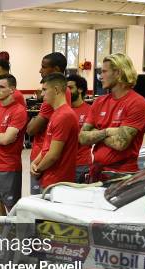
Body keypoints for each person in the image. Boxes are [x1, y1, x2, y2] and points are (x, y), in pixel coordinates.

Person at [78, 53, 145, 182]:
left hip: (122, 177)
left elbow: (120, 143)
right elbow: (82, 137)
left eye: (104, 71)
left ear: (118, 73)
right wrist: (108, 131)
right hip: (97, 172)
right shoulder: (99, 102)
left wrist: (96, 134)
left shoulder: (137, 103)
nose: (100, 76)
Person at [0, 74, 27, 216]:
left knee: (13, 208)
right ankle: (2, 237)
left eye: (2, 87)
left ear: (12, 89)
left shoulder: (19, 110)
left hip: (8, 168)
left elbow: (6, 140)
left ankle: (18, 238)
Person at [26, 52, 71, 194]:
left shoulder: (57, 105)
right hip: (42, 157)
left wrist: (38, 166)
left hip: (46, 163)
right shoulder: (58, 103)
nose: (40, 70)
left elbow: (31, 130)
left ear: (56, 69)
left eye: (44, 67)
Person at [31, 73, 79, 191]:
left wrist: (37, 169)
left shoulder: (64, 115)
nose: (42, 94)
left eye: (44, 90)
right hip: (50, 179)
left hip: (58, 182)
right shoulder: (56, 113)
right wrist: (35, 162)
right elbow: (46, 147)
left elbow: (53, 155)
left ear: (56, 90)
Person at [67, 74, 92, 183]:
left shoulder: (90, 111)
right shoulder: (63, 110)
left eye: (70, 88)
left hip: (81, 165)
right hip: (63, 164)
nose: (67, 91)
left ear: (80, 89)